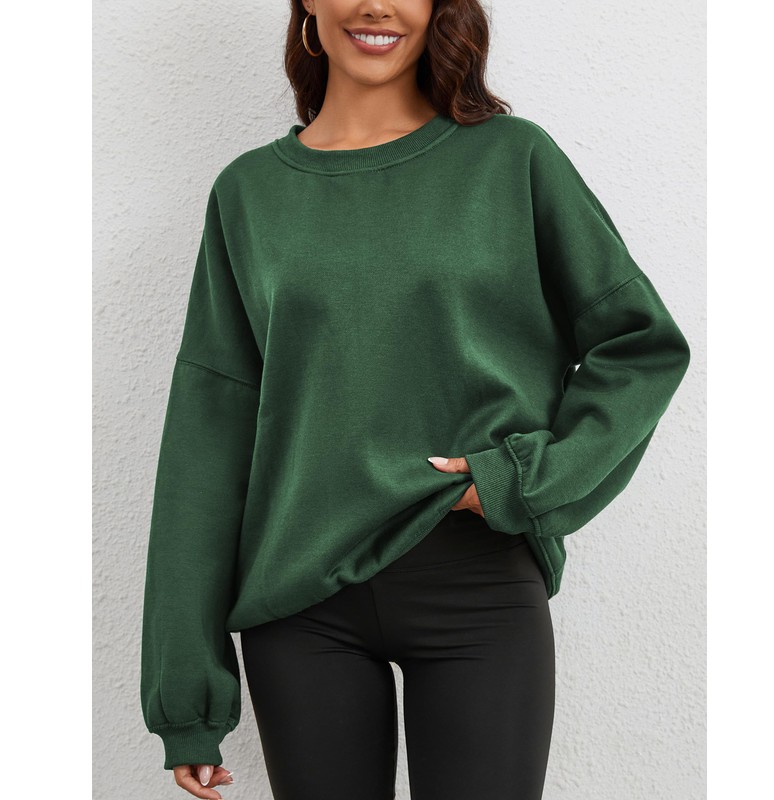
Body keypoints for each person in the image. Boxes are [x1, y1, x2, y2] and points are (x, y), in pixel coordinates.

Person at [139, 1, 692, 798]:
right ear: (308, 6)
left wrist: (521, 479)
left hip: (476, 581)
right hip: (300, 603)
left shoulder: (512, 159)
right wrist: (186, 694)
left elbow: (640, 345)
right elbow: (209, 430)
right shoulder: (248, 193)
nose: (377, 4)